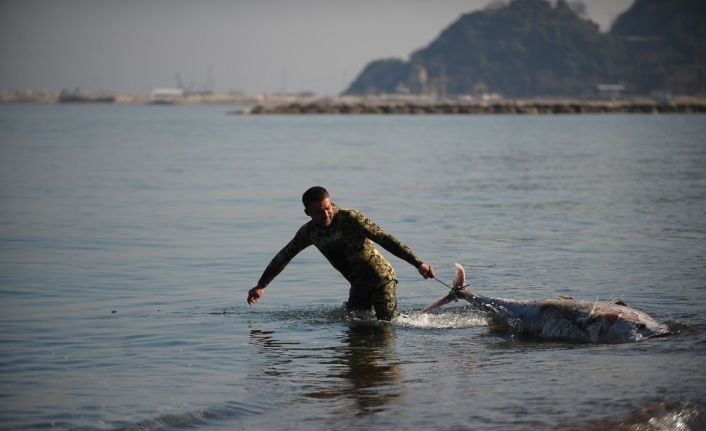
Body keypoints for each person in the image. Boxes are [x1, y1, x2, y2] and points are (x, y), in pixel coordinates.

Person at [247, 186, 435, 320]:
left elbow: (384, 238)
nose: (327, 214)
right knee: (354, 328)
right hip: (358, 286)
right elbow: (284, 256)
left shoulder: (350, 218)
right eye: (320, 212)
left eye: (328, 208)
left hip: (381, 278)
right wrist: (261, 285)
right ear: (307, 212)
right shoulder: (309, 232)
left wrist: (418, 264)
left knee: (386, 325)